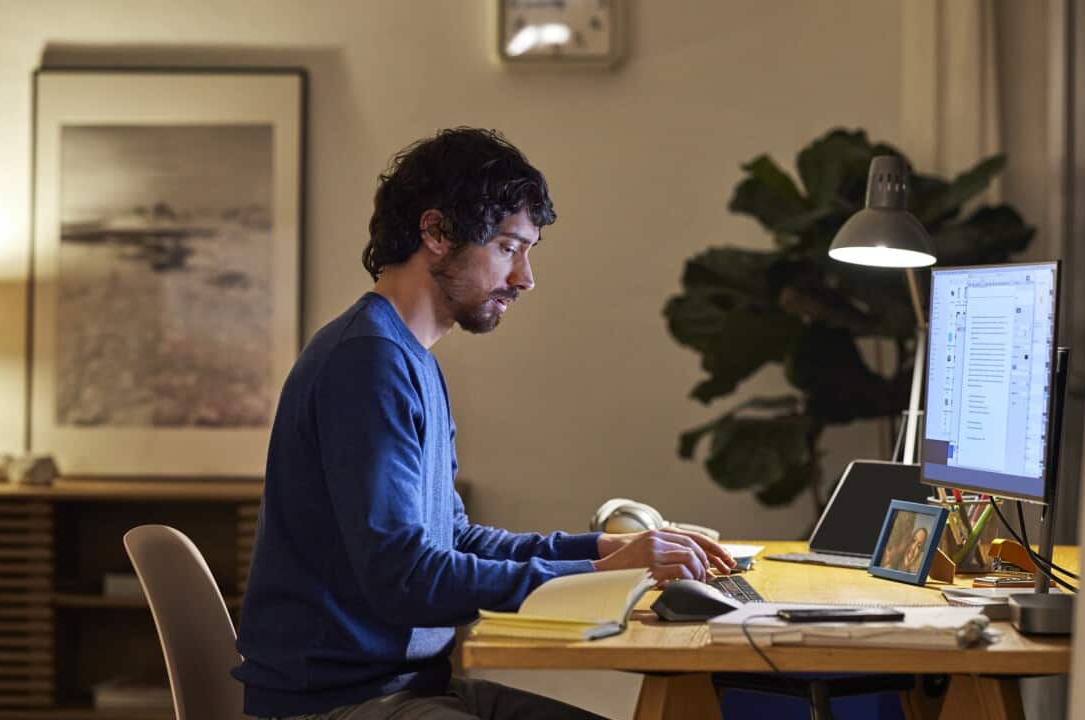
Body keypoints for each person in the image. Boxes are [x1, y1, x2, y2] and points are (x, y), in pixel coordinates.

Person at [233, 128, 734, 720]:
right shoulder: (366, 361)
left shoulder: (409, 359)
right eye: (507, 247)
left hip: (410, 688)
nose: (525, 277)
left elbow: (455, 540)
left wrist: (606, 547)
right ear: (437, 232)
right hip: (337, 705)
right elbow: (405, 578)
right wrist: (597, 574)